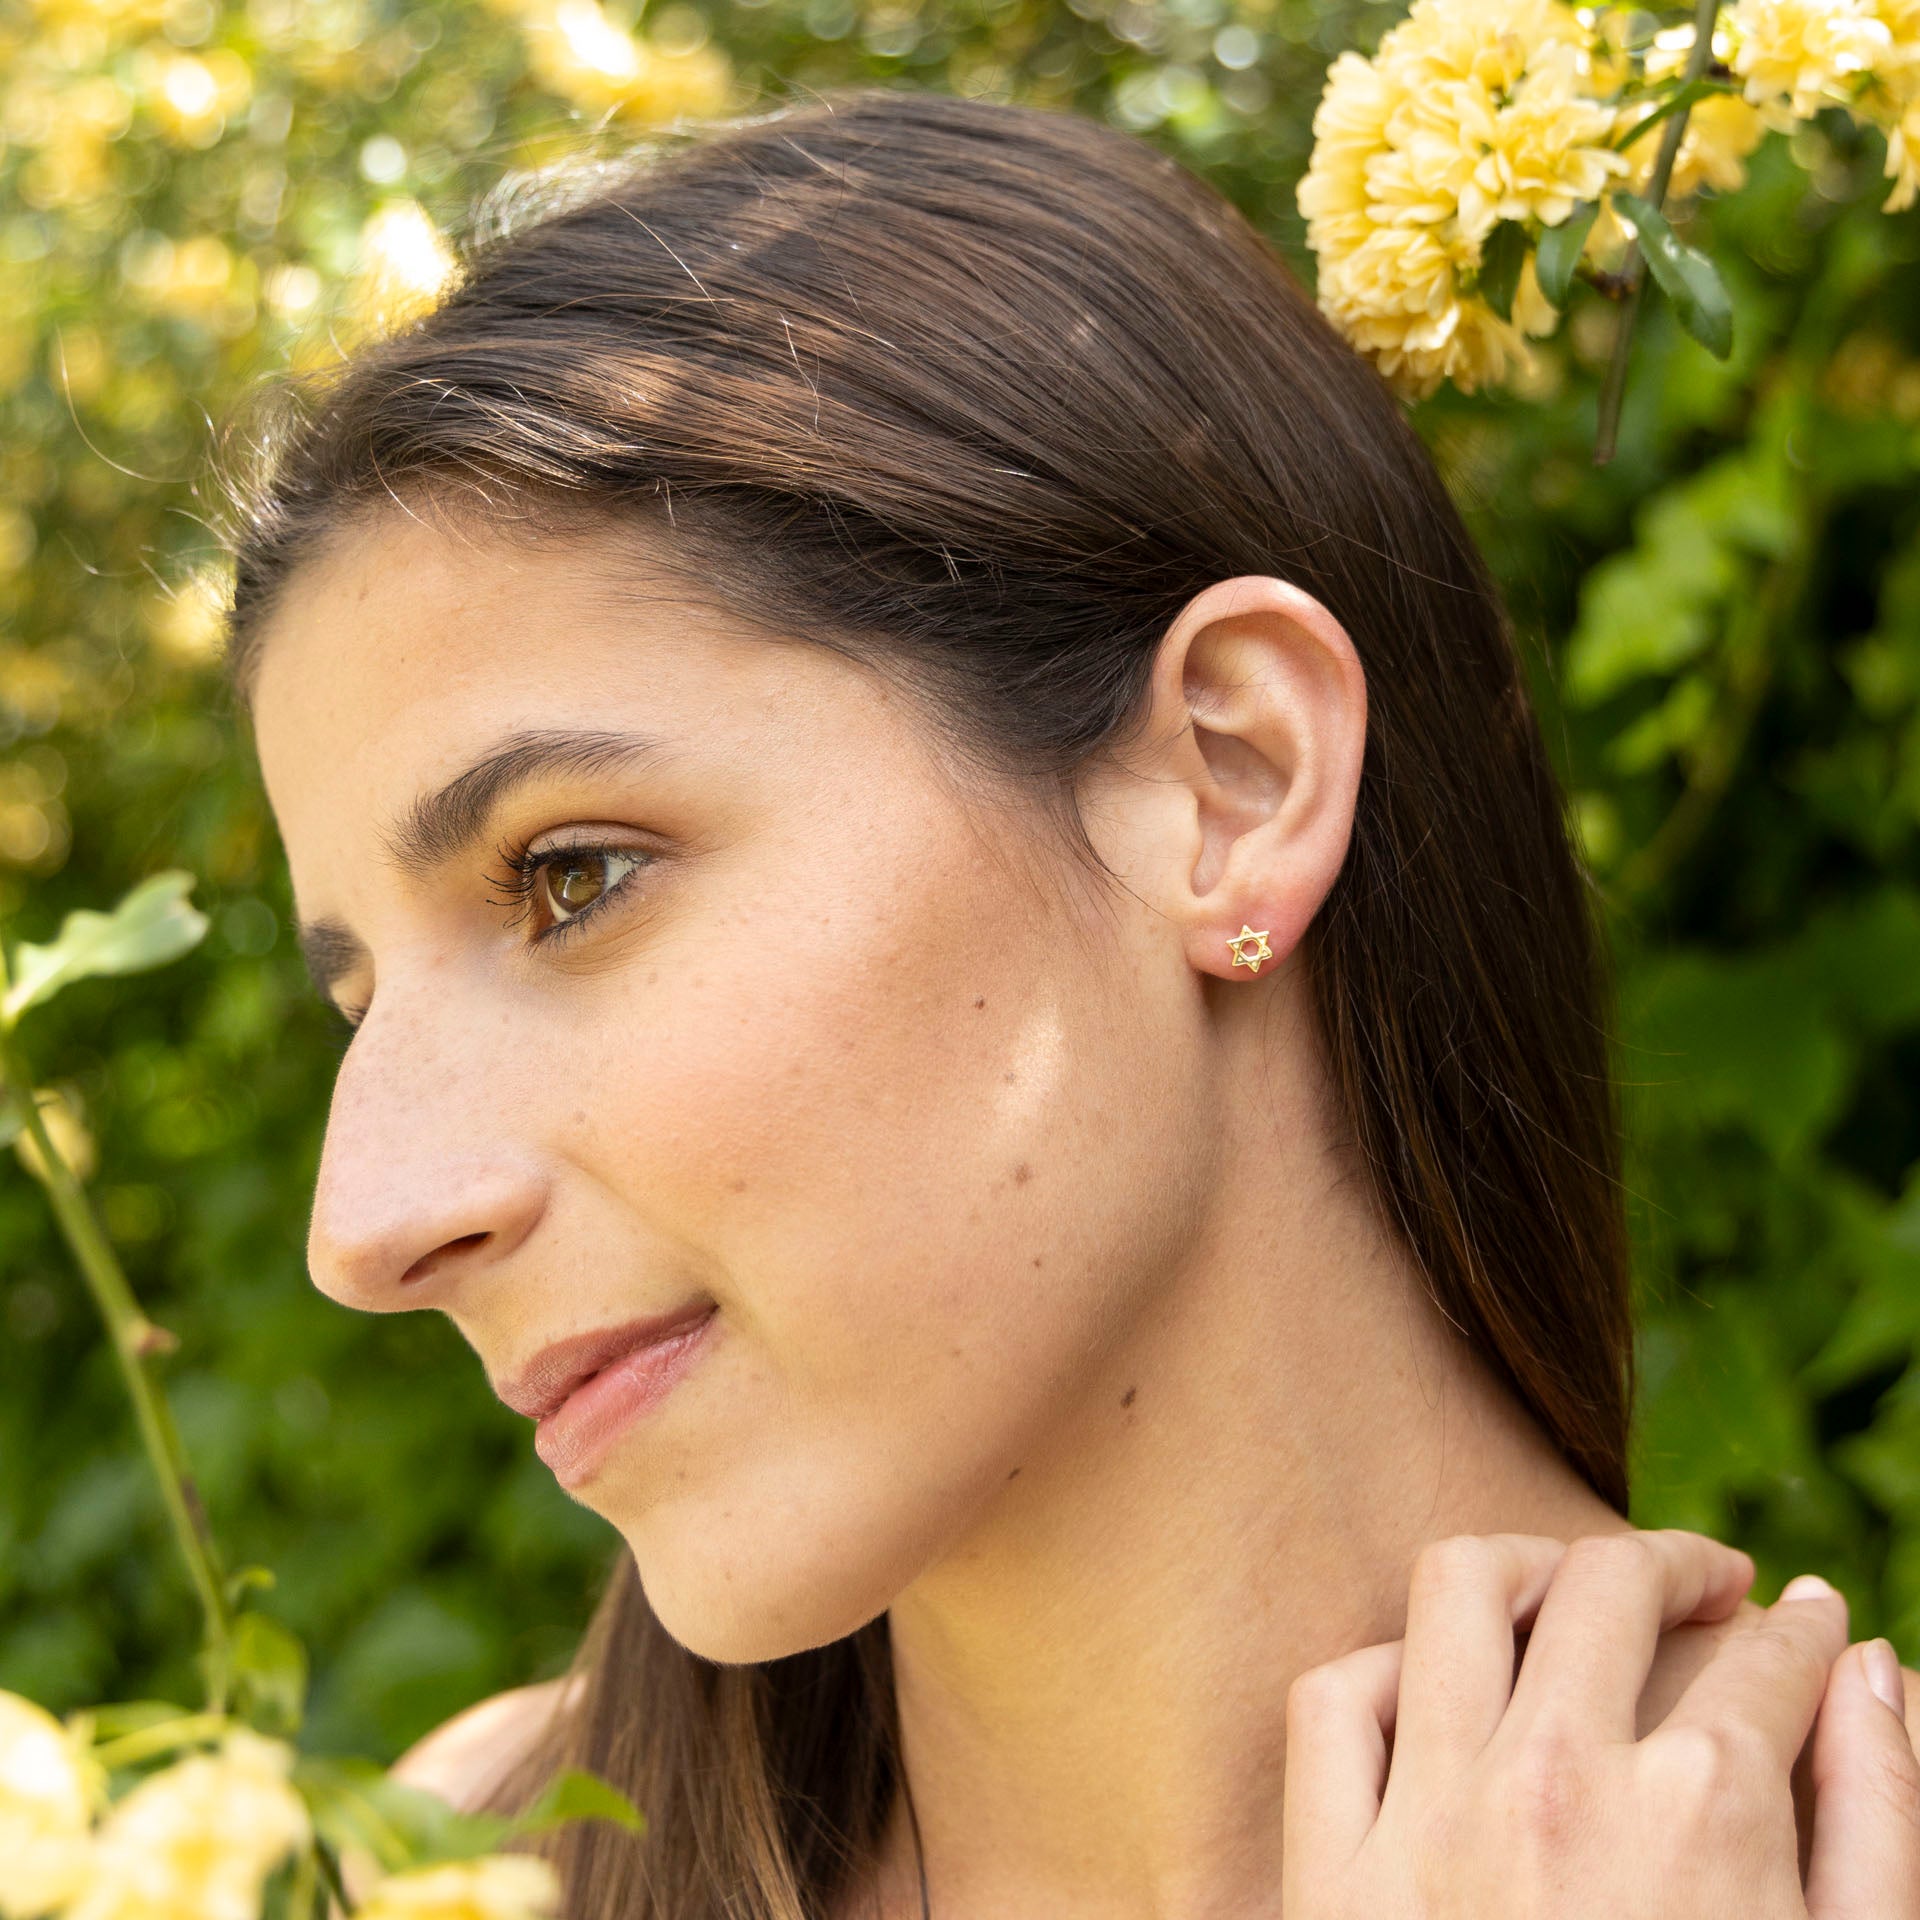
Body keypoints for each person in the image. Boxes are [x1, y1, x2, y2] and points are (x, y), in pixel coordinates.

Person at [219, 86, 1920, 1919]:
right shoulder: (465, 1866)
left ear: (1227, 782)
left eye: (573, 882)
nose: (364, 1223)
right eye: (363, 1002)